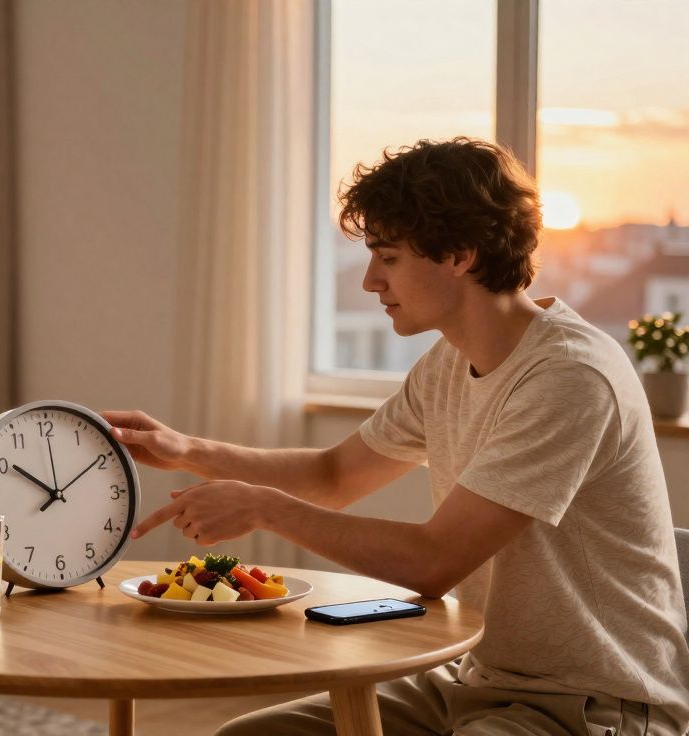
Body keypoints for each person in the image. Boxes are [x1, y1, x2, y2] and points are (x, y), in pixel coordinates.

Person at [106, 137, 689, 736]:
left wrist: (263, 508)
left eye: (388, 258)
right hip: (474, 681)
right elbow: (334, 477)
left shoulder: (569, 375)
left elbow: (434, 562)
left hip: (597, 704)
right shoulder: (447, 363)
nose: (368, 281)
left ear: (459, 255)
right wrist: (187, 451)